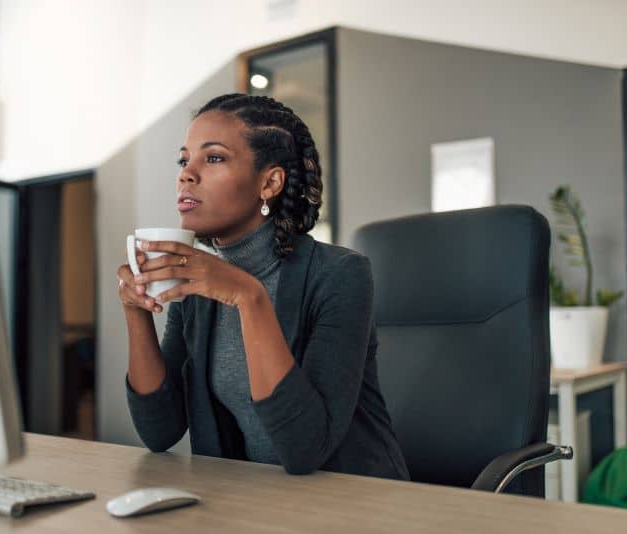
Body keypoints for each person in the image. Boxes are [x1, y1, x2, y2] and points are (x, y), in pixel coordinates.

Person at [116, 93, 409, 480]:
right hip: (252, 502)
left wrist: (248, 296)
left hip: (354, 501)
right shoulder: (197, 286)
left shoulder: (340, 274)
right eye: (184, 160)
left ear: (269, 182)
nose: (187, 174)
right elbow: (159, 431)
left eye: (214, 157)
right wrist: (136, 310)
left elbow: (305, 449)